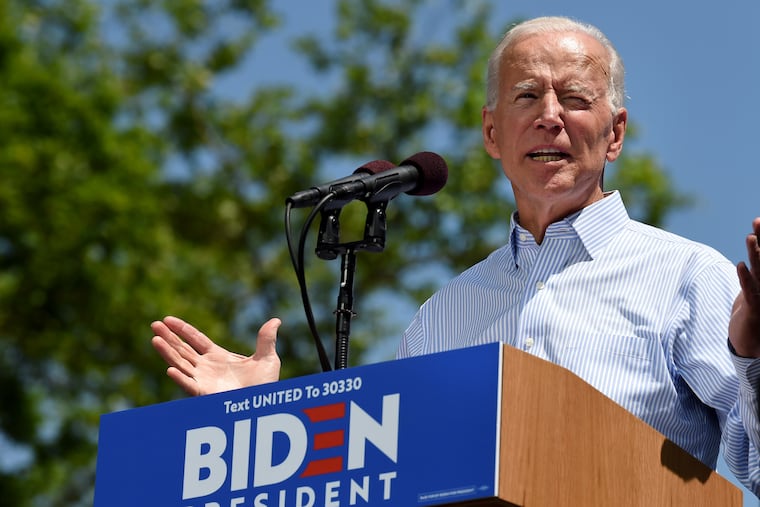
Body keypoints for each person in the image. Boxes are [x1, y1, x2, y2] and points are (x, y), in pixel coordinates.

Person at [151, 16, 760, 495]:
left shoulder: (686, 275)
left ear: (616, 133)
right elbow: (383, 478)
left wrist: (755, 357)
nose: (550, 117)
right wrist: (261, 417)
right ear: (492, 133)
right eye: (526, 96)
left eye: (575, 97)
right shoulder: (442, 315)